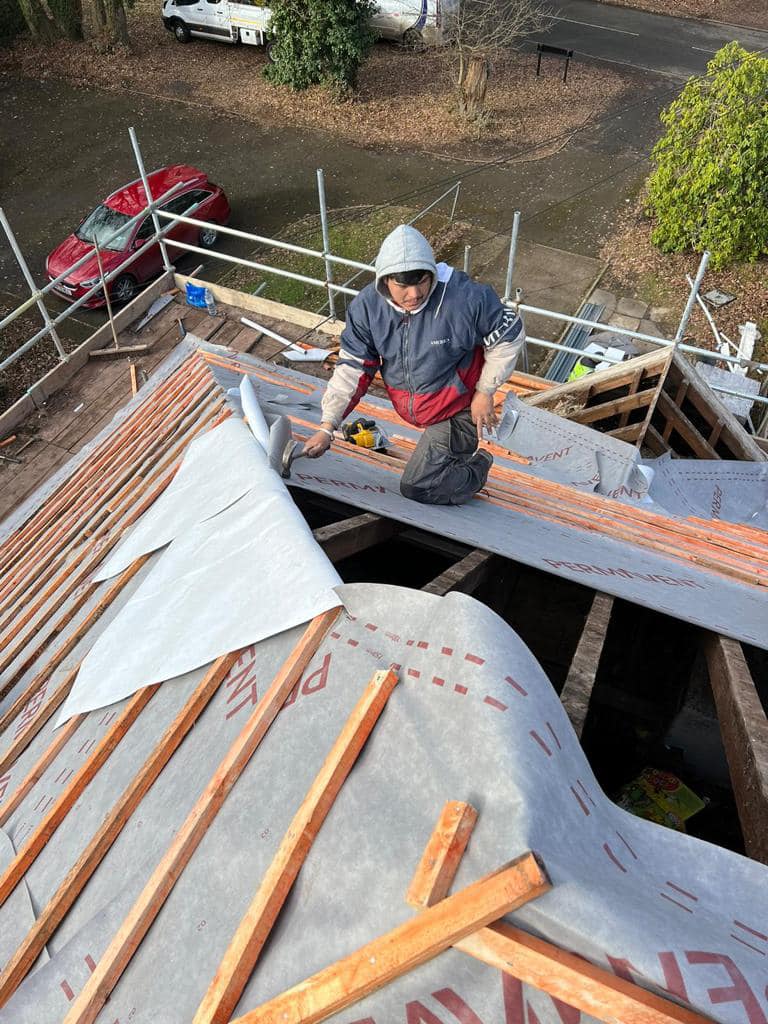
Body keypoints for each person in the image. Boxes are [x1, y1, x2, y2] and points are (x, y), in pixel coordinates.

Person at [304, 224, 525, 505]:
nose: (414, 294)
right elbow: (353, 368)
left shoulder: (465, 299)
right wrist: (327, 427)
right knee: (425, 475)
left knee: (419, 487)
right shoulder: (368, 309)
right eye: (403, 286)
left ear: (431, 273)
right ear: (385, 280)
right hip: (418, 409)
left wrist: (485, 391)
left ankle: (476, 468)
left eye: (421, 281)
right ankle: (445, 461)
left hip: (458, 410)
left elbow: (510, 333)